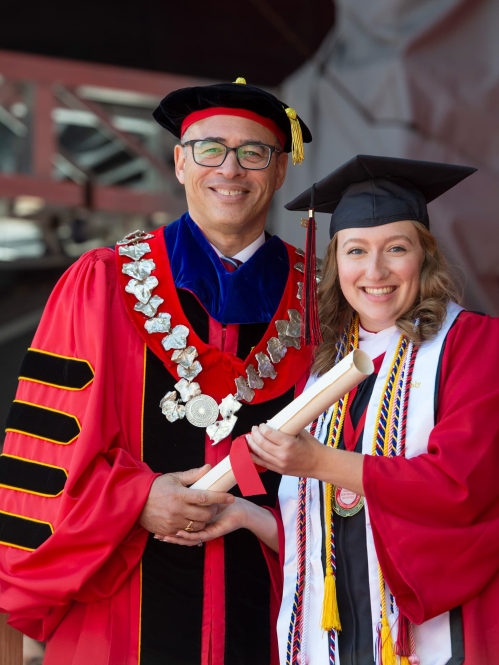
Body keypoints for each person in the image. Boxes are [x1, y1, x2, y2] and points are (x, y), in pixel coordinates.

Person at [0, 79, 313, 665]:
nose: (230, 168)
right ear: (178, 162)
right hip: (124, 610)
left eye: (254, 153)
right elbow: (41, 460)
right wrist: (135, 498)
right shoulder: (105, 282)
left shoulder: (325, 301)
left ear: (278, 172)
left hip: (279, 614)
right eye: (209, 149)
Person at [176, 155, 499, 664]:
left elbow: (460, 490)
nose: (375, 271)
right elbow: (336, 528)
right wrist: (245, 515)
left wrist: (317, 462)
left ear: (426, 257)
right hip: (335, 641)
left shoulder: (474, 344)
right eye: (356, 251)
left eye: (396, 248)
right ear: (336, 264)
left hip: (439, 636)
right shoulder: (323, 368)